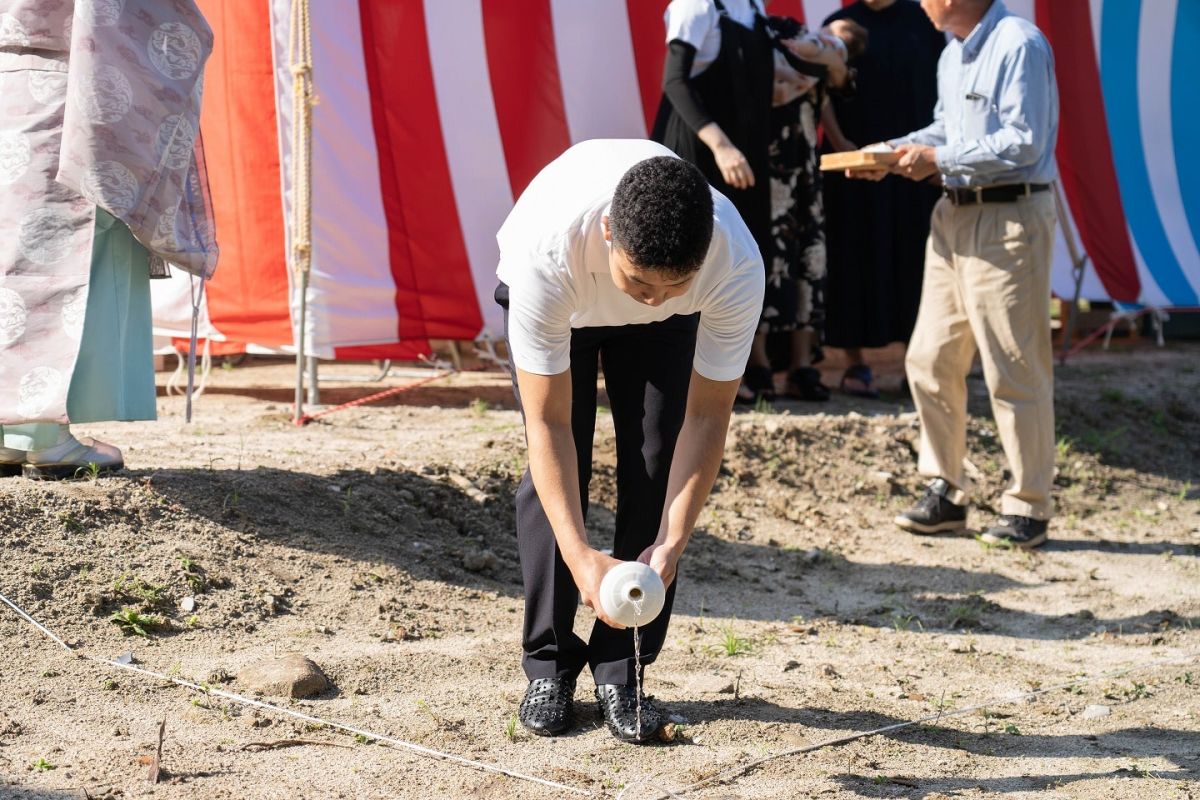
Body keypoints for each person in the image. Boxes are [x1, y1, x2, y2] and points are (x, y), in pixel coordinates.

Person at [495, 140, 763, 743]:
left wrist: (671, 543)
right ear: (612, 233)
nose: (653, 298)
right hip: (566, 301)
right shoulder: (547, 250)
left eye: (676, 285)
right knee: (559, 474)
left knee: (657, 463)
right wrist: (581, 558)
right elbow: (549, 425)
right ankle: (550, 664)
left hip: (659, 333)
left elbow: (707, 418)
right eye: (640, 283)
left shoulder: (734, 266)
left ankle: (624, 669)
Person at [851, 0, 1059, 549]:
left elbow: (1024, 140)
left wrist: (936, 160)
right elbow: (947, 127)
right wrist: (894, 153)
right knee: (928, 356)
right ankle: (946, 490)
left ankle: (1029, 506)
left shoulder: (1018, 43)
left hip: (1010, 215)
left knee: (1013, 364)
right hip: (954, 214)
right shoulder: (953, 52)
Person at [0, 0, 217, 479]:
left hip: (12, 74)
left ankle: (11, 433)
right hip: (67, 72)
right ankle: (39, 432)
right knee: (61, 246)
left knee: (15, 246)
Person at [654, 0, 846, 404]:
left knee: (732, 262)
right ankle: (679, 380)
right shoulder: (697, 6)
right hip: (700, 150)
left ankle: (728, 375)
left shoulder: (753, 8)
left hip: (745, 154)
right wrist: (721, 146)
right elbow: (675, 82)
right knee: (692, 260)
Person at [821, 0, 945, 398]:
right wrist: (841, 144)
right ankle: (855, 364)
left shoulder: (926, 22)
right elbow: (819, 93)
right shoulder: (839, 24)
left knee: (918, 263)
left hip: (916, 166)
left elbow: (947, 92)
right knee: (853, 260)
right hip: (855, 166)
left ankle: (919, 364)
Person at [762, 18, 867, 401]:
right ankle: (757, 365)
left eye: (839, 32)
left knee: (809, 260)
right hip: (767, 162)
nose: (828, 32)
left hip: (804, 168)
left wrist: (839, 140)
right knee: (765, 260)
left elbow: (832, 93)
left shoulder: (823, 56)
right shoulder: (785, 41)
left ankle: (801, 366)